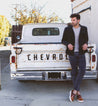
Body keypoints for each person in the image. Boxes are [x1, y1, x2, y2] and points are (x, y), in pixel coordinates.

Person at [62, 13, 88, 102]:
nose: (72, 21)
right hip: (72, 54)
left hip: (81, 53)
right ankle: (78, 93)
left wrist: (86, 44)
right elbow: (63, 40)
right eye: (71, 20)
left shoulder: (84, 29)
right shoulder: (67, 29)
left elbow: (86, 39)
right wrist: (68, 44)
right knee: (74, 71)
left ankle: (74, 91)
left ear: (78, 20)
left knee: (82, 70)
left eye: (74, 20)